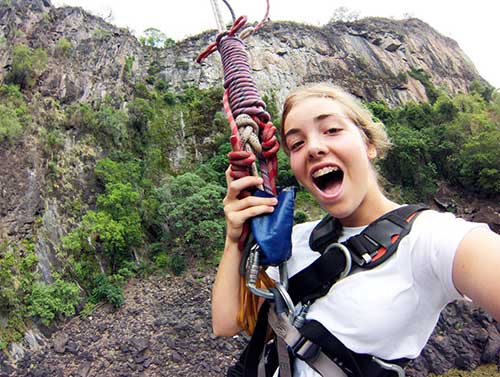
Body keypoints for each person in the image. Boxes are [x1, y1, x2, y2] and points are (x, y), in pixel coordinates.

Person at [212, 83, 500, 376]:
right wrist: (234, 238)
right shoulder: (295, 240)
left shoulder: (429, 238)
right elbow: (226, 323)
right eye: (297, 144)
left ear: (369, 145)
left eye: (332, 130)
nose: (313, 148)